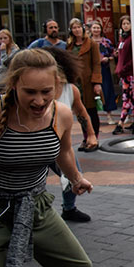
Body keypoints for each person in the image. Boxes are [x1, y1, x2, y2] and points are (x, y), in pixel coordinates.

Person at [0, 49, 123, 267]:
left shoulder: (61, 114)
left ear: (57, 86)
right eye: (29, 92)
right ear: (13, 86)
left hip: (36, 207)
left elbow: (64, 151)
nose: (39, 101)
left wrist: (76, 178)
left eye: (46, 92)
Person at [40, 46, 96, 222]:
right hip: (34, 144)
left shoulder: (70, 90)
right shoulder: (34, 90)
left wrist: (92, 135)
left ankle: (69, 209)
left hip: (59, 145)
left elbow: (81, 113)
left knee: (73, 174)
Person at [66, 18, 102, 151]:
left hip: (88, 82)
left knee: (91, 111)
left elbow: (96, 64)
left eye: (78, 27)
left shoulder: (91, 44)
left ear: (83, 28)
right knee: (80, 112)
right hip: (76, 82)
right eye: (74, 28)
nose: (76, 30)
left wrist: (97, 82)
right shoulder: (69, 45)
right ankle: (86, 136)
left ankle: (94, 137)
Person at [90, 21, 117, 125]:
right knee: (93, 92)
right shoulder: (88, 41)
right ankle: (94, 117)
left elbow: (113, 54)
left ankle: (109, 115)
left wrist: (107, 58)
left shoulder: (106, 42)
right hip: (92, 70)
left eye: (98, 28)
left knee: (107, 91)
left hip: (104, 69)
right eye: (94, 28)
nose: (96, 30)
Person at [112, 16, 134, 135]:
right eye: (123, 23)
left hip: (129, 73)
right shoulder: (122, 39)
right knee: (130, 98)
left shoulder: (132, 39)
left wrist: (124, 68)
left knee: (128, 98)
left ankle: (121, 123)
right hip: (123, 73)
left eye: (128, 23)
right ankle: (133, 122)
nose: (125, 25)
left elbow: (132, 57)